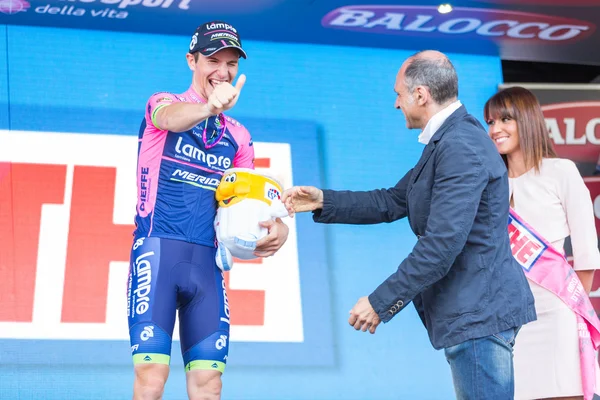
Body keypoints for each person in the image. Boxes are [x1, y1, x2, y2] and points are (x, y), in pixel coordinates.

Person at [282, 50, 536, 399]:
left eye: (398, 94)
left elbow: (441, 245)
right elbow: (392, 200)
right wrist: (323, 200)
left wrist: (379, 302)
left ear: (421, 95)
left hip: (480, 314)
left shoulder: (459, 145)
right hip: (474, 312)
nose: (396, 104)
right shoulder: (450, 140)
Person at [127, 20, 289, 400]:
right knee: (152, 375)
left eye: (231, 63)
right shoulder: (162, 104)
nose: (223, 71)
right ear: (191, 61)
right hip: (157, 251)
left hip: (208, 266)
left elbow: (250, 202)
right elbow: (169, 118)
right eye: (213, 59)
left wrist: (279, 225)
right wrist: (206, 108)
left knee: (210, 384)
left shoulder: (239, 136)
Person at [485, 86, 600, 400]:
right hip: (510, 321)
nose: (495, 129)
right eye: (491, 122)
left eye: (504, 119)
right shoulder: (491, 185)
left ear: (527, 120)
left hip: (557, 313)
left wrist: (572, 306)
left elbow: (588, 252)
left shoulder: (560, 172)